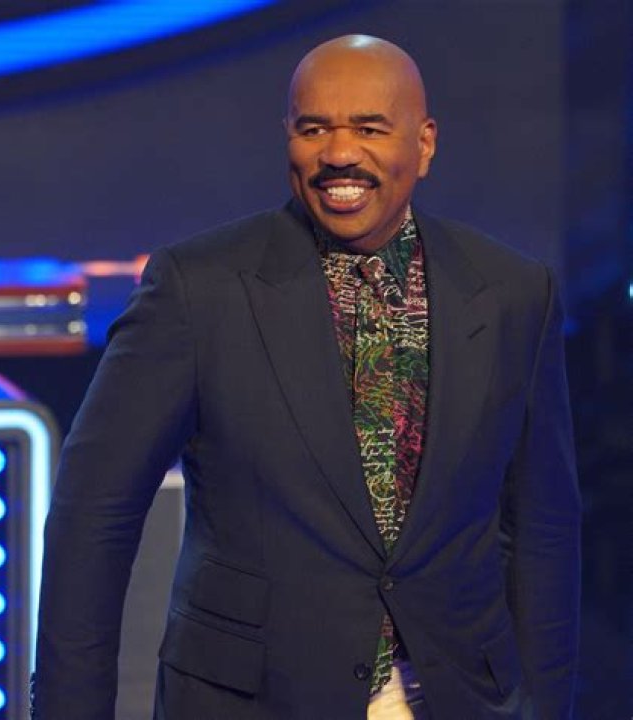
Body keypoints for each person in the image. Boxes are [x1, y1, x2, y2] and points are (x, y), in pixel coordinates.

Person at [32, 35, 580, 719]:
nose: (339, 153)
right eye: (314, 129)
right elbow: (94, 516)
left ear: (424, 144)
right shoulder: (197, 289)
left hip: (458, 697)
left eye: (370, 128)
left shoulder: (513, 293)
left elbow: (541, 530)